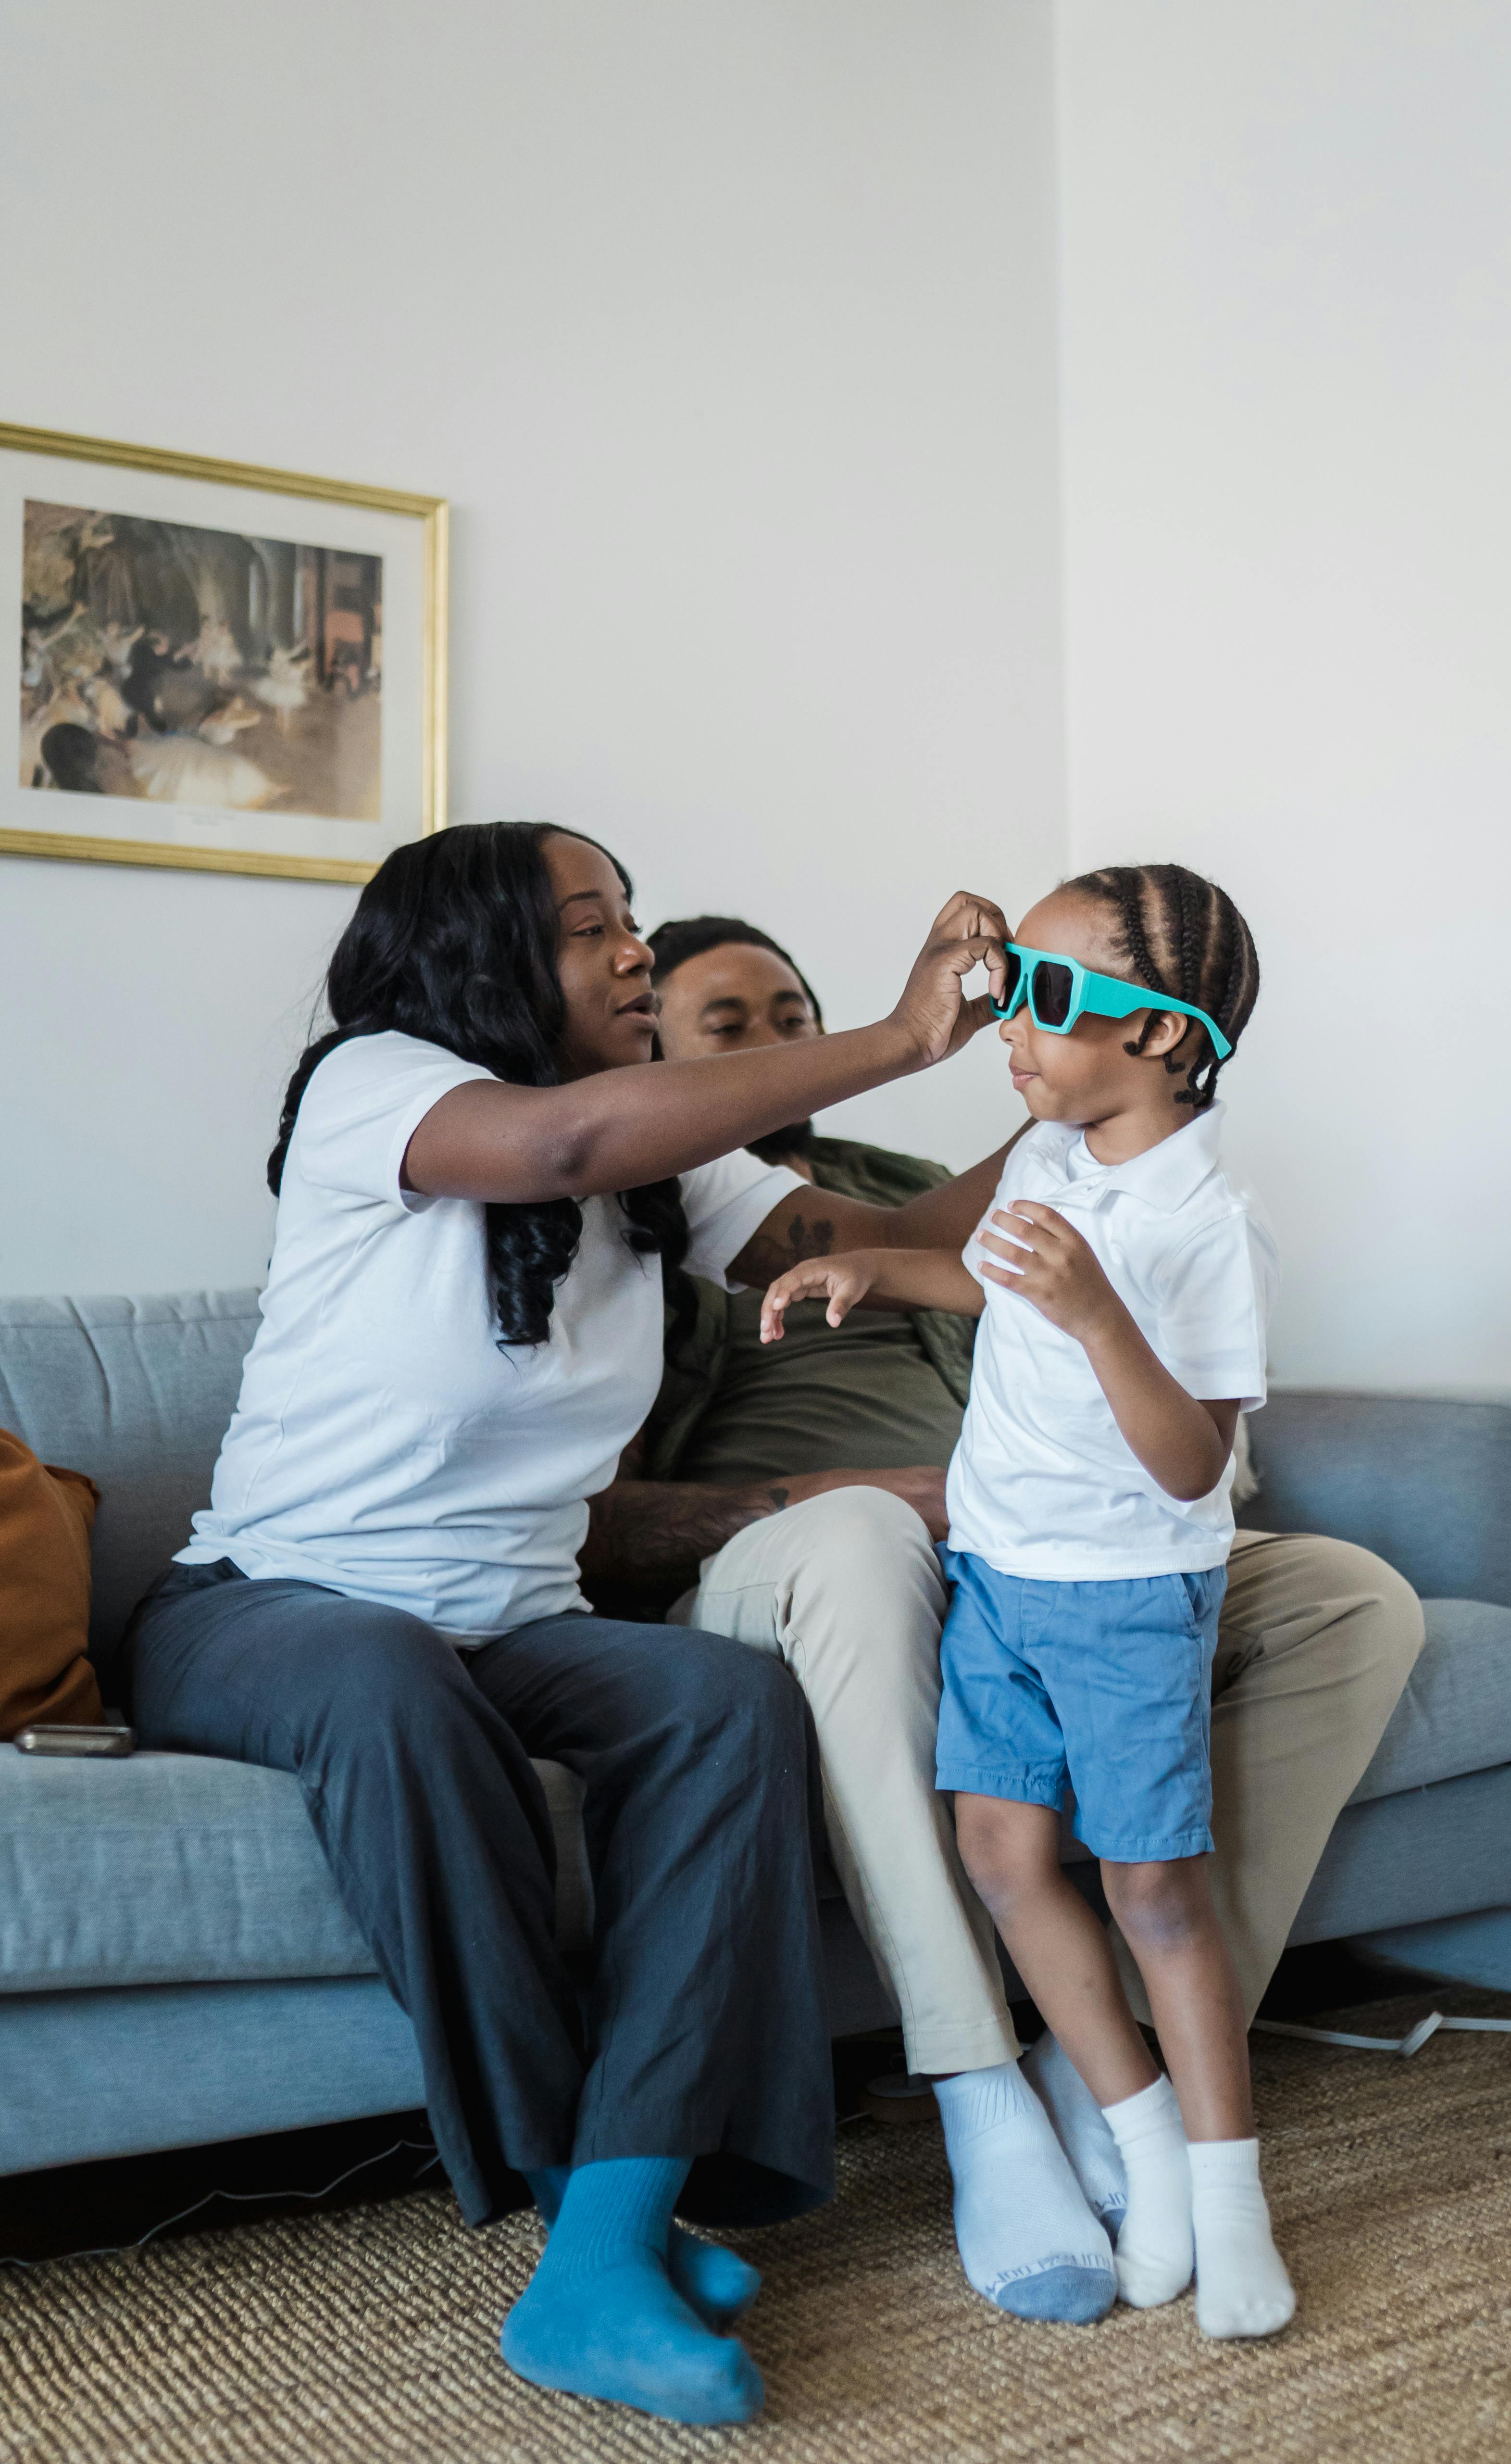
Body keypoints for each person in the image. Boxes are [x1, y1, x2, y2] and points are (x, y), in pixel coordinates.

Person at [114, 823, 1014, 2428]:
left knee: (726, 1701)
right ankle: (577, 2206)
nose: (633, 955)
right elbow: (559, 1143)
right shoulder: (379, 1085)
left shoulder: (665, 1167)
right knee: (390, 1677)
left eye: (632, 924)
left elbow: (900, 1241)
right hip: (272, 1605)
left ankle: (605, 2235)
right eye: (592, 927)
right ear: (478, 958)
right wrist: (890, 1035)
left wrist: (1087, 1100)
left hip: (516, 1620)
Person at [582, 904, 1423, 2327]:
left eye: (799, 1016)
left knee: (1354, 1596)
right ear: (662, 1055)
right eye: (733, 1029)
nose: (789, 1048)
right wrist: (875, 1488)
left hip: (1061, 1538)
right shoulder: (634, 1208)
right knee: (862, 1550)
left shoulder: (952, 1174)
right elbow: (605, 1513)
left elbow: (1055, 1275)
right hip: (832, 1546)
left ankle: (1114, 2070)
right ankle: (987, 2090)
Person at [762, 862, 1296, 2340]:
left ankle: (1230, 2196)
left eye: (1050, 1000)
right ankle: (1137, 2147)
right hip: (1001, 1569)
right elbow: (995, 1277)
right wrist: (880, 1263)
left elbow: (1194, 1461)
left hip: (1129, 1590)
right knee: (1002, 1854)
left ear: (1168, 1038)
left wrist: (1096, 1309)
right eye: (1016, 987)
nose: (1015, 1025)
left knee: (1152, 1891)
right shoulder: (1051, 1150)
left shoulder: (1205, 1220)